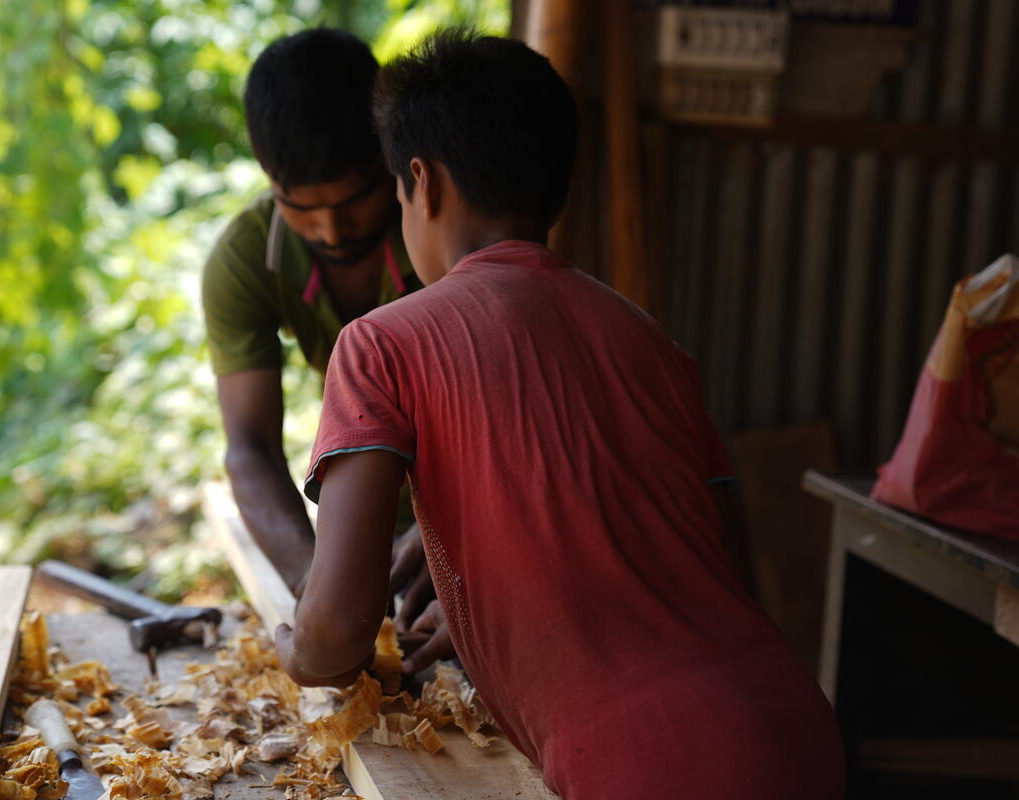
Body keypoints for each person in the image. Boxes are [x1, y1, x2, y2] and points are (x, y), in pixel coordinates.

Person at [273, 29, 844, 800]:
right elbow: (723, 568)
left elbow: (340, 630)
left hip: (648, 764)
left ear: (422, 184)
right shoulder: (651, 342)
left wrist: (297, 649)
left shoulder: (382, 342)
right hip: (797, 725)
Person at [201, 28, 428, 599]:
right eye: (301, 209)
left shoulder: (442, 233)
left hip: (481, 510)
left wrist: (458, 542)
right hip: (372, 523)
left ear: (390, 155)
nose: (330, 230)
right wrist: (312, 580)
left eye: (353, 201)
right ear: (267, 178)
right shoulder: (244, 260)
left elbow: (509, 419)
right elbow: (249, 447)